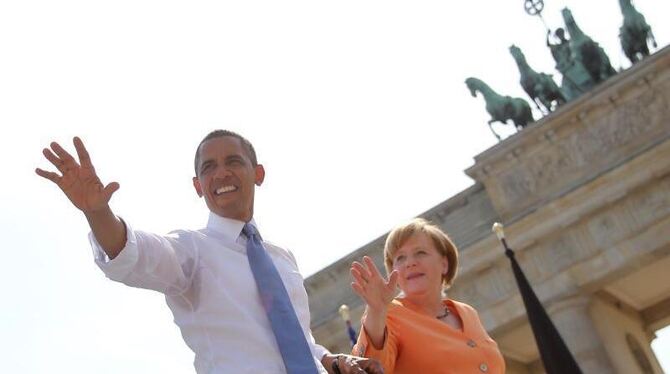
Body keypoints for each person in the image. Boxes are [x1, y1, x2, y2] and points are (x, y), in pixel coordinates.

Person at [36, 130, 383, 374]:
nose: (221, 172)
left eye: (233, 161)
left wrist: (332, 359)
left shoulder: (282, 257)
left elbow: (300, 341)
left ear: (257, 173)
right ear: (197, 186)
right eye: (208, 168)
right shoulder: (191, 250)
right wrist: (97, 212)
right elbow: (133, 254)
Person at [349, 218, 505, 374]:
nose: (410, 263)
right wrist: (376, 311)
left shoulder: (468, 312)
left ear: (444, 264)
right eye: (400, 257)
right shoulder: (388, 314)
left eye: (420, 253)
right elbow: (370, 367)